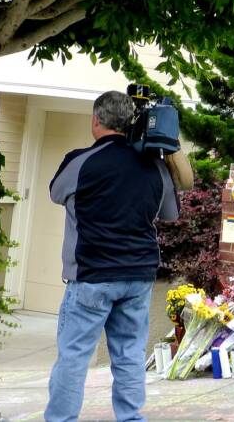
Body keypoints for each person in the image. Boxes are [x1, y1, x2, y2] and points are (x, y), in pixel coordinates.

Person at [45, 91, 180, 422]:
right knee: (130, 354)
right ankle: (131, 417)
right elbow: (171, 213)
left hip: (92, 275)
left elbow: (55, 194)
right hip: (138, 276)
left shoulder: (80, 161)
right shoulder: (155, 167)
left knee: (74, 357)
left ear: (96, 120)